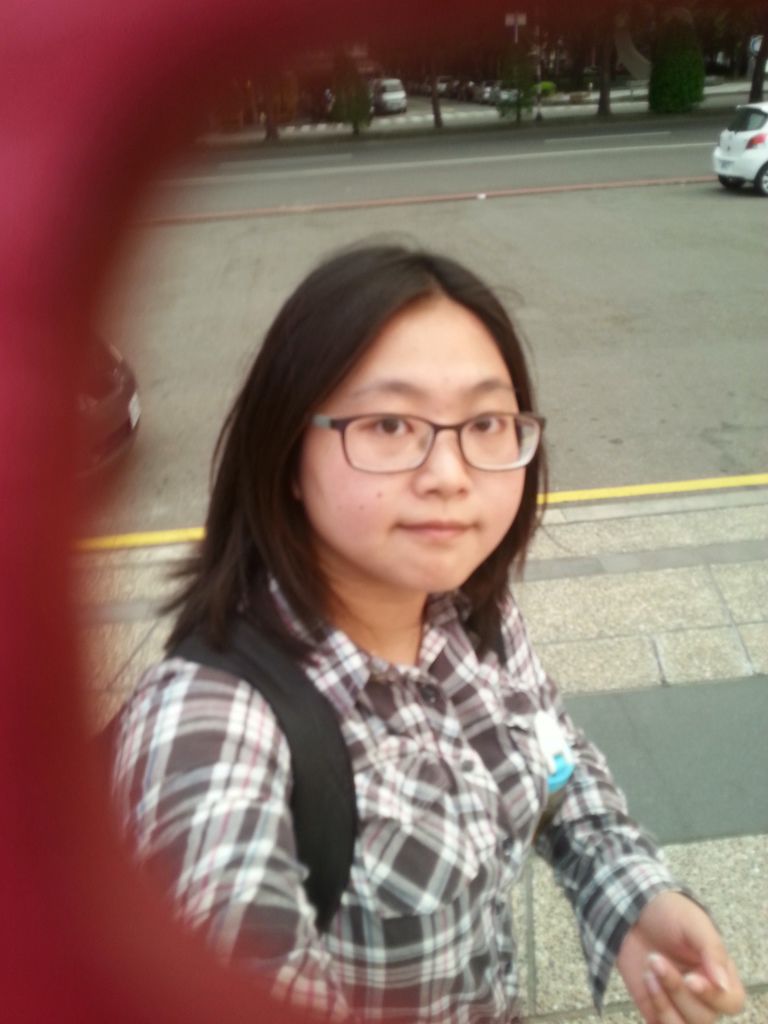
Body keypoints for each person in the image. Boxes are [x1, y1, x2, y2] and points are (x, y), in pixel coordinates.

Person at [111, 244, 745, 1024]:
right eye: (389, 424)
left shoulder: (470, 609)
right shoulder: (211, 731)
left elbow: (555, 758)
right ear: (286, 453)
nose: (450, 474)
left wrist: (634, 898)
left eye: (486, 422)